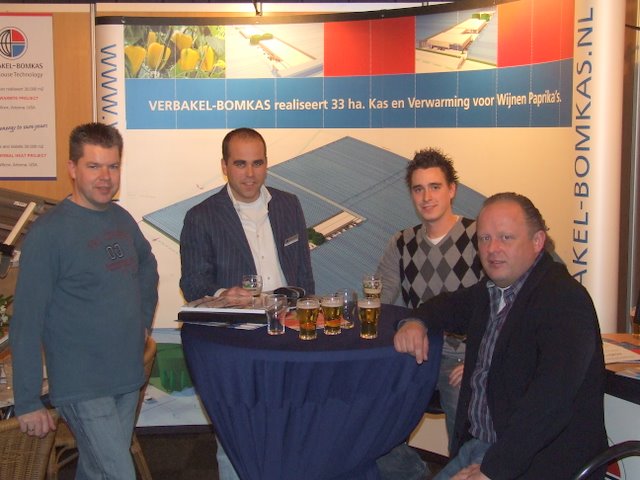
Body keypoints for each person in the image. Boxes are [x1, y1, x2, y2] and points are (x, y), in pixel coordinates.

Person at [394, 192, 607, 480]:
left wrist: (493, 470)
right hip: (482, 449)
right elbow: (446, 306)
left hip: (537, 462)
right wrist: (415, 321)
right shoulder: (493, 291)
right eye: (485, 238)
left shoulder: (564, 301)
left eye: (506, 238)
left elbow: (550, 404)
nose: (493, 248)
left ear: (537, 241)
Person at [10, 122, 159, 479]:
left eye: (113, 166)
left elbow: (147, 265)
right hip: (82, 385)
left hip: (126, 376)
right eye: (94, 166)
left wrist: (142, 320)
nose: (105, 177)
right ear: (73, 169)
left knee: (97, 470)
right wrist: (27, 401)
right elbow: (26, 322)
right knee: (118, 473)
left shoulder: (120, 218)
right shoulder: (49, 234)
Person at [179, 127, 315, 479]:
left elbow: (305, 277)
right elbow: (192, 284)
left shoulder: (289, 205)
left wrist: (293, 310)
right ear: (224, 166)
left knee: (290, 429)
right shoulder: (200, 216)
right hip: (236, 341)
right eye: (240, 164)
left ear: (267, 163)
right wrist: (224, 295)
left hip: (287, 335)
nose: (250, 174)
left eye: (257, 163)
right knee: (236, 435)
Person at [376, 148, 482, 479]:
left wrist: (480, 360)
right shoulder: (401, 243)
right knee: (370, 418)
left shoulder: (479, 237)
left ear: (452, 190)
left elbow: (500, 305)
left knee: (466, 429)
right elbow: (380, 301)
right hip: (416, 355)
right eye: (418, 189)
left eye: (435, 187)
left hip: (462, 357)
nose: (426, 197)